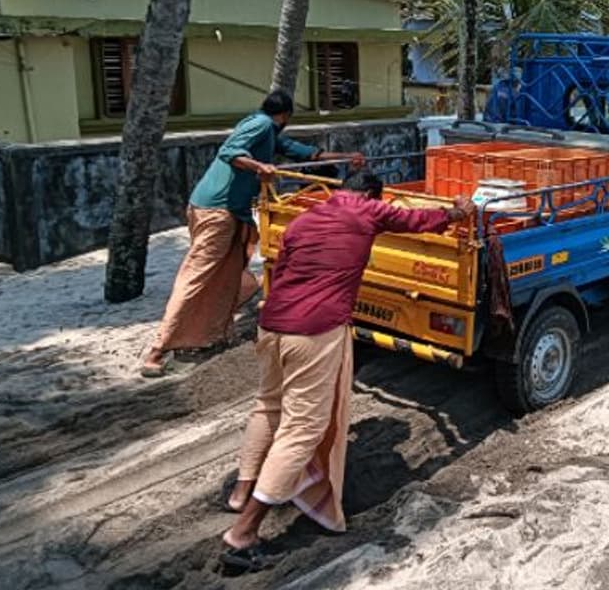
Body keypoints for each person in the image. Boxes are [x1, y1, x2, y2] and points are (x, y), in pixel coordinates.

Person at [220, 169, 474, 571]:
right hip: (314, 331)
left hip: (272, 325)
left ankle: (240, 492)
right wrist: (459, 213)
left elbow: (282, 272)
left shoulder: (303, 220)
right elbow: (418, 220)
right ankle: (245, 531)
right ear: (372, 194)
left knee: (268, 406)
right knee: (302, 428)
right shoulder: (368, 212)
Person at [139, 90, 362, 377]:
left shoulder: (270, 134)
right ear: (285, 116)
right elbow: (230, 152)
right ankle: (158, 350)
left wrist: (347, 157)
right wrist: (260, 166)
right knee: (199, 274)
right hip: (217, 211)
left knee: (229, 272)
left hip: (232, 212)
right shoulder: (261, 125)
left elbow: (307, 154)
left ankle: (210, 335)